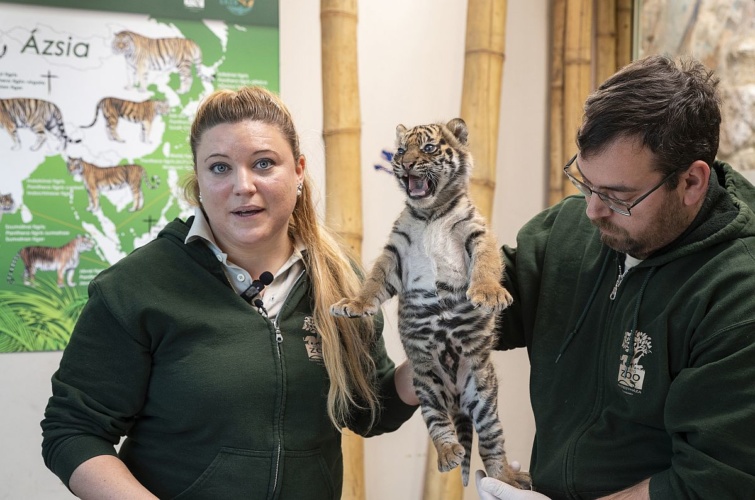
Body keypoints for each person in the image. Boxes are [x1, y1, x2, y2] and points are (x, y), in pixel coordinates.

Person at [41, 86, 419, 499]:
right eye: (220, 168)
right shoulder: (136, 287)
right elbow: (73, 431)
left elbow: (366, 408)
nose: (243, 185)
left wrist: (428, 367)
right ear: (199, 179)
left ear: (298, 171)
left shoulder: (342, 280)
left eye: (263, 163)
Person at [477, 55, 755, 499]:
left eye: (617, 196)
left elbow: (711, 482)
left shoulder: (737, 293)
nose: (592, 210)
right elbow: (493, 306)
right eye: (586, 183)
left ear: (691, 182)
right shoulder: (571, 231)